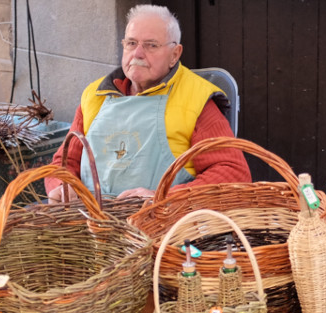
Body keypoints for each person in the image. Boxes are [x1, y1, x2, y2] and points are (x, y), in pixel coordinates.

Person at [46, 4, 250, 202]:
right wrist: (61, 186)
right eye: (131, 43)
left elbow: (233, 173)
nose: (138, 53)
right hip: (89, 224)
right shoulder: (95, 95)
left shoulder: (195, 98)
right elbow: (64, 163)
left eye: (151, 45)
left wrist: (164, 198)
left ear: (175, 54)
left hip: (161, 226)